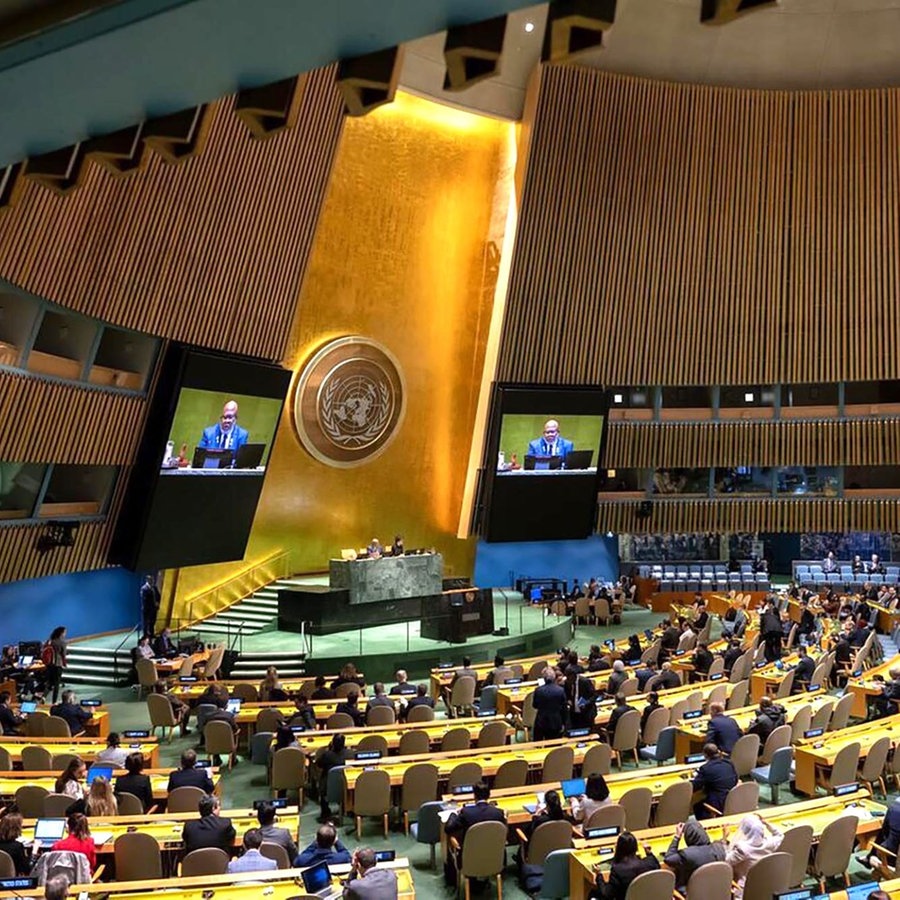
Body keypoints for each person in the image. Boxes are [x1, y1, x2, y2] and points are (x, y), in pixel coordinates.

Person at [443, 782, 506, 885]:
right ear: (489, 795)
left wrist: (453, 814)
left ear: (474, 796)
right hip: (494, 858)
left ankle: (453, 882)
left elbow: (448, 829)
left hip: (468, 860)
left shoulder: (466, 813)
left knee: (452, 840)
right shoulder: (498, 813)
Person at [724, 813, 783, 896]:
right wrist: (766, 823)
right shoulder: (769, 844)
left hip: (741, 888)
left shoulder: (743, 849)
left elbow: (724, 861)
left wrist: (724, 838)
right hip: (762, 884)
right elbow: (780, 835)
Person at [590, 831, 659, 900]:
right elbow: (655, 863)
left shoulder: (618, 870)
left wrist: (599, 875)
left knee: (593, 892)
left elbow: (607, 894)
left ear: (619, 848)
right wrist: (648, 852)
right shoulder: (649, 863)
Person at [663, 821, 726, 892]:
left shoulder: (688, 854)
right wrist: (724, 837)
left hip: (691, 892)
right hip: (714, 890)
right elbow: (721, 844)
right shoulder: (719, 848)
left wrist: (677, 836)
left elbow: (668, 858)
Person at [691, 743, 738, 818]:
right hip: (733, 800)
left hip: (718, 805)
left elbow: (694, 786)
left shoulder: (706, 769)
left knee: (697, 806)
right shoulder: (729, 763)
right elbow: (736, 779)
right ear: (718, 752)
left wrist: (691, 780)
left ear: (705, 755)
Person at [316, 734, 352, 822]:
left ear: (333, 743)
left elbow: (319, 764)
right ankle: (348, 808)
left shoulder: (327, 755)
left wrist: (329, 750)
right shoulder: (351, 753)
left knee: (323, 776)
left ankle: (325, 813)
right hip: (347, 786)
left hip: (329, 788)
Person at [532, 666, 567, 740]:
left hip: (541, 721)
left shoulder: (538, 690)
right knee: (555, 745)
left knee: (539, 745)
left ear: (544, 678)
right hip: (556, 721)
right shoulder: (560, 690)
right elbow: (564, 707)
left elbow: (535, 705)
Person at [43, 626, 67, 703]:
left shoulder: (50, 641)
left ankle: (43, 697)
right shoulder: (62, 642)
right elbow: (63, 654)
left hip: (50, 664)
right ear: (61, 633)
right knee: (57, 683)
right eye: (64, 632)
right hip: (58, 664)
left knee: (49, 682)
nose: (65, 634)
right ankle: (54, 701)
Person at [139, 577, 160, 644]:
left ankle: (152, 634)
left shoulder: (154, 587)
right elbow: (144, 599)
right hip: (147, 609)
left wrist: (157, 602)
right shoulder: (144, 588)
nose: (152, 581)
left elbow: (158, 595)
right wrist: (148, 606)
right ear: (147, 580)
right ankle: (145, 635)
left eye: (153, 580)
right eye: (151, 580)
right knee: (146, 622)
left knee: (153, 622)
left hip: (154, 608)